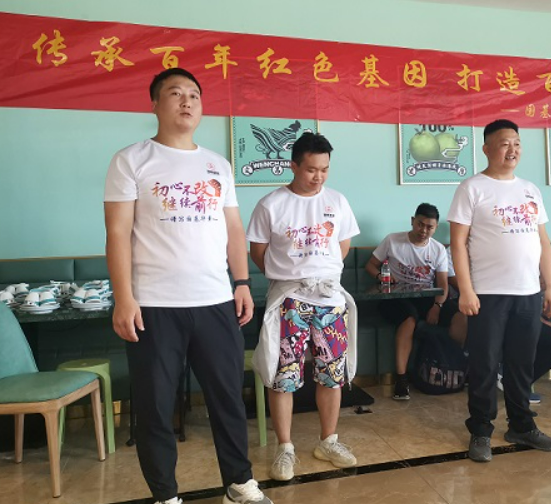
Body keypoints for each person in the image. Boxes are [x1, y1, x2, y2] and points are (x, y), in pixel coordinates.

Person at [104, 68, 271, 504]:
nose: (186, 101)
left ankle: (239, 482)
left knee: (227, 399)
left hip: (215, 301)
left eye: (194, 95)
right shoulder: (132, 160)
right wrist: (124, 298)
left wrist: (241, 282)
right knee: (156, 407)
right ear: (154, 104)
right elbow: (117, 233)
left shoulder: (218, 164)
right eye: (175, 93)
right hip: (154, 306)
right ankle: (165, 496)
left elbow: (233, 229)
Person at [247, 132, 360, 482]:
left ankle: (328, 441)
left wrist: (320, 273)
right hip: (290, 300)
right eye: (311, 169)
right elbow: (258, 252)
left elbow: (342, 246)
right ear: (293, 165)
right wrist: (291, 275)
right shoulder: (271, 204)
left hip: (329, 300)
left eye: (324, 169)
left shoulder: (337, 201)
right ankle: (285, 447)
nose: (318, 177)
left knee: (332, 374)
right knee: (283, 376)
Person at [448, 119, 551, 463]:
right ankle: (481, 430)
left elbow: (543, 241)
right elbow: (458, 243)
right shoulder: (472, 188)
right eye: (504, 143)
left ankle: (522, 425)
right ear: (486, 149)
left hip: (528, 292)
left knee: (521, 364)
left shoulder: (530, 190)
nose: (512, 150)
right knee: (484, 364)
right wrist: (466, 290)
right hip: (488, 293)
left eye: (516, 143)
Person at [365, 203, 466, 400]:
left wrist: (437, 306)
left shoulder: (438, 249)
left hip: (426, 298)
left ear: (435, 228)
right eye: (420, 224)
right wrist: (381, 276)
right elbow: (370, 265)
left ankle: (455, 366)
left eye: (429, 227)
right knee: (409, 319)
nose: (424, 231)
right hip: (394, 297)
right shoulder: (393, 240)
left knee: (460, 316)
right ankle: (401, 380)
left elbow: (442, 284)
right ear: (413, 221)